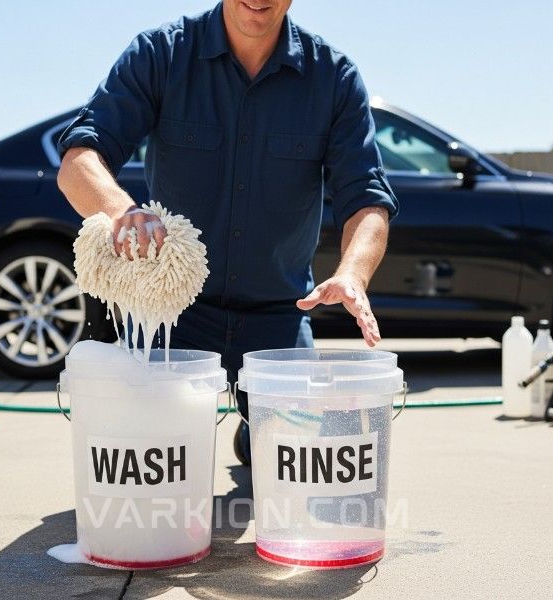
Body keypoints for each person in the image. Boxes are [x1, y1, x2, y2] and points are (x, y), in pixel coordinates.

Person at [56, 0, 398, 465]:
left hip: (279, 315)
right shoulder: (161, 54)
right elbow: (78, 161)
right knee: (155, 457)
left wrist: (353, 274)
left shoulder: (333, 78)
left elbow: (367, 199)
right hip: (171, 313)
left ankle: (255, 432)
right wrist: (122, 212)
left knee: (293, 461)